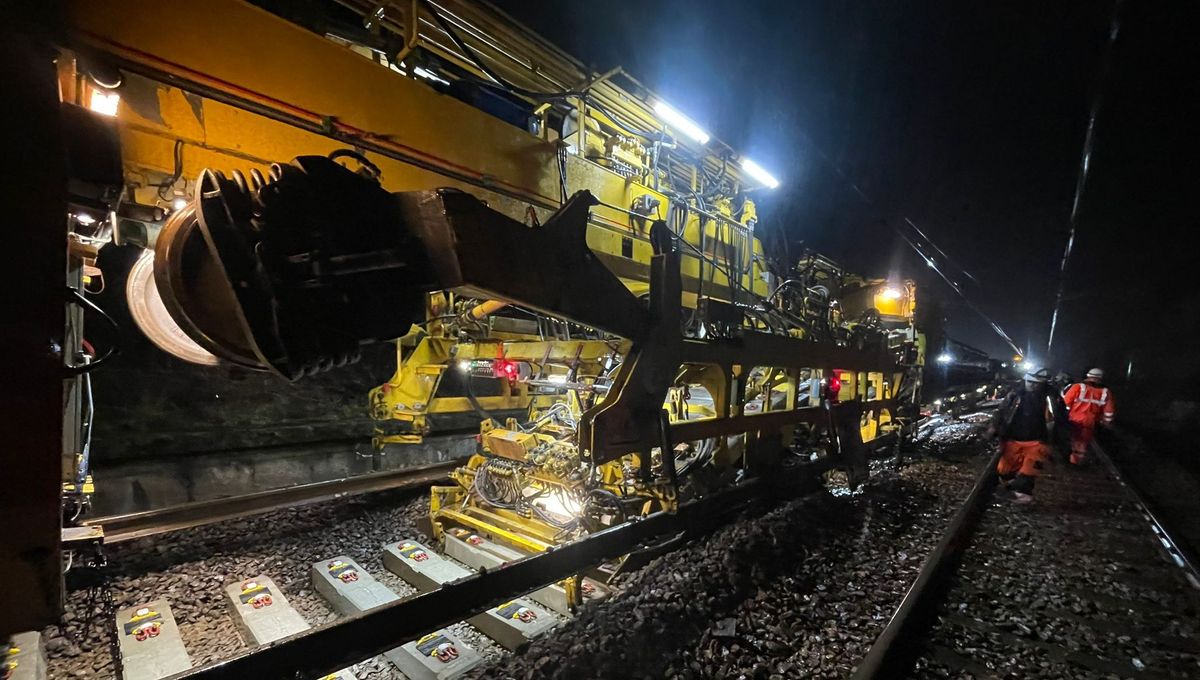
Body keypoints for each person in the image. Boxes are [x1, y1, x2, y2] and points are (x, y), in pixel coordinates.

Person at [988, 368, 1068, 503]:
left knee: (1029, 470)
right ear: (1025, 379)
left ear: (1043, 383)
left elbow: (1059, 419)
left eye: (1037, 383)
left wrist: (1060, 442)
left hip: (1039, 439)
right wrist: (993, 428)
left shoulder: (1051, 397)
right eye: (1030, 382)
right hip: (1013, 438)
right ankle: (1010, 486)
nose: (1033, 385)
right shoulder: (1015, 393)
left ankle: (1022, 494)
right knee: (1004, 470)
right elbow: (1002, 411)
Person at [1062, 368, 1116, 464]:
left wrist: (1063, 415)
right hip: (1090, 422)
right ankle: (1076, 462)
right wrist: (1106, 423)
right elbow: (1109, 411)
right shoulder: (1106, 392)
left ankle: (1068, 460)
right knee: (1082, 443)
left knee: (1071, 439)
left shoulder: (1077, 387)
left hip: (1073, 419)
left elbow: (1065, 402)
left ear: (1088, 376)